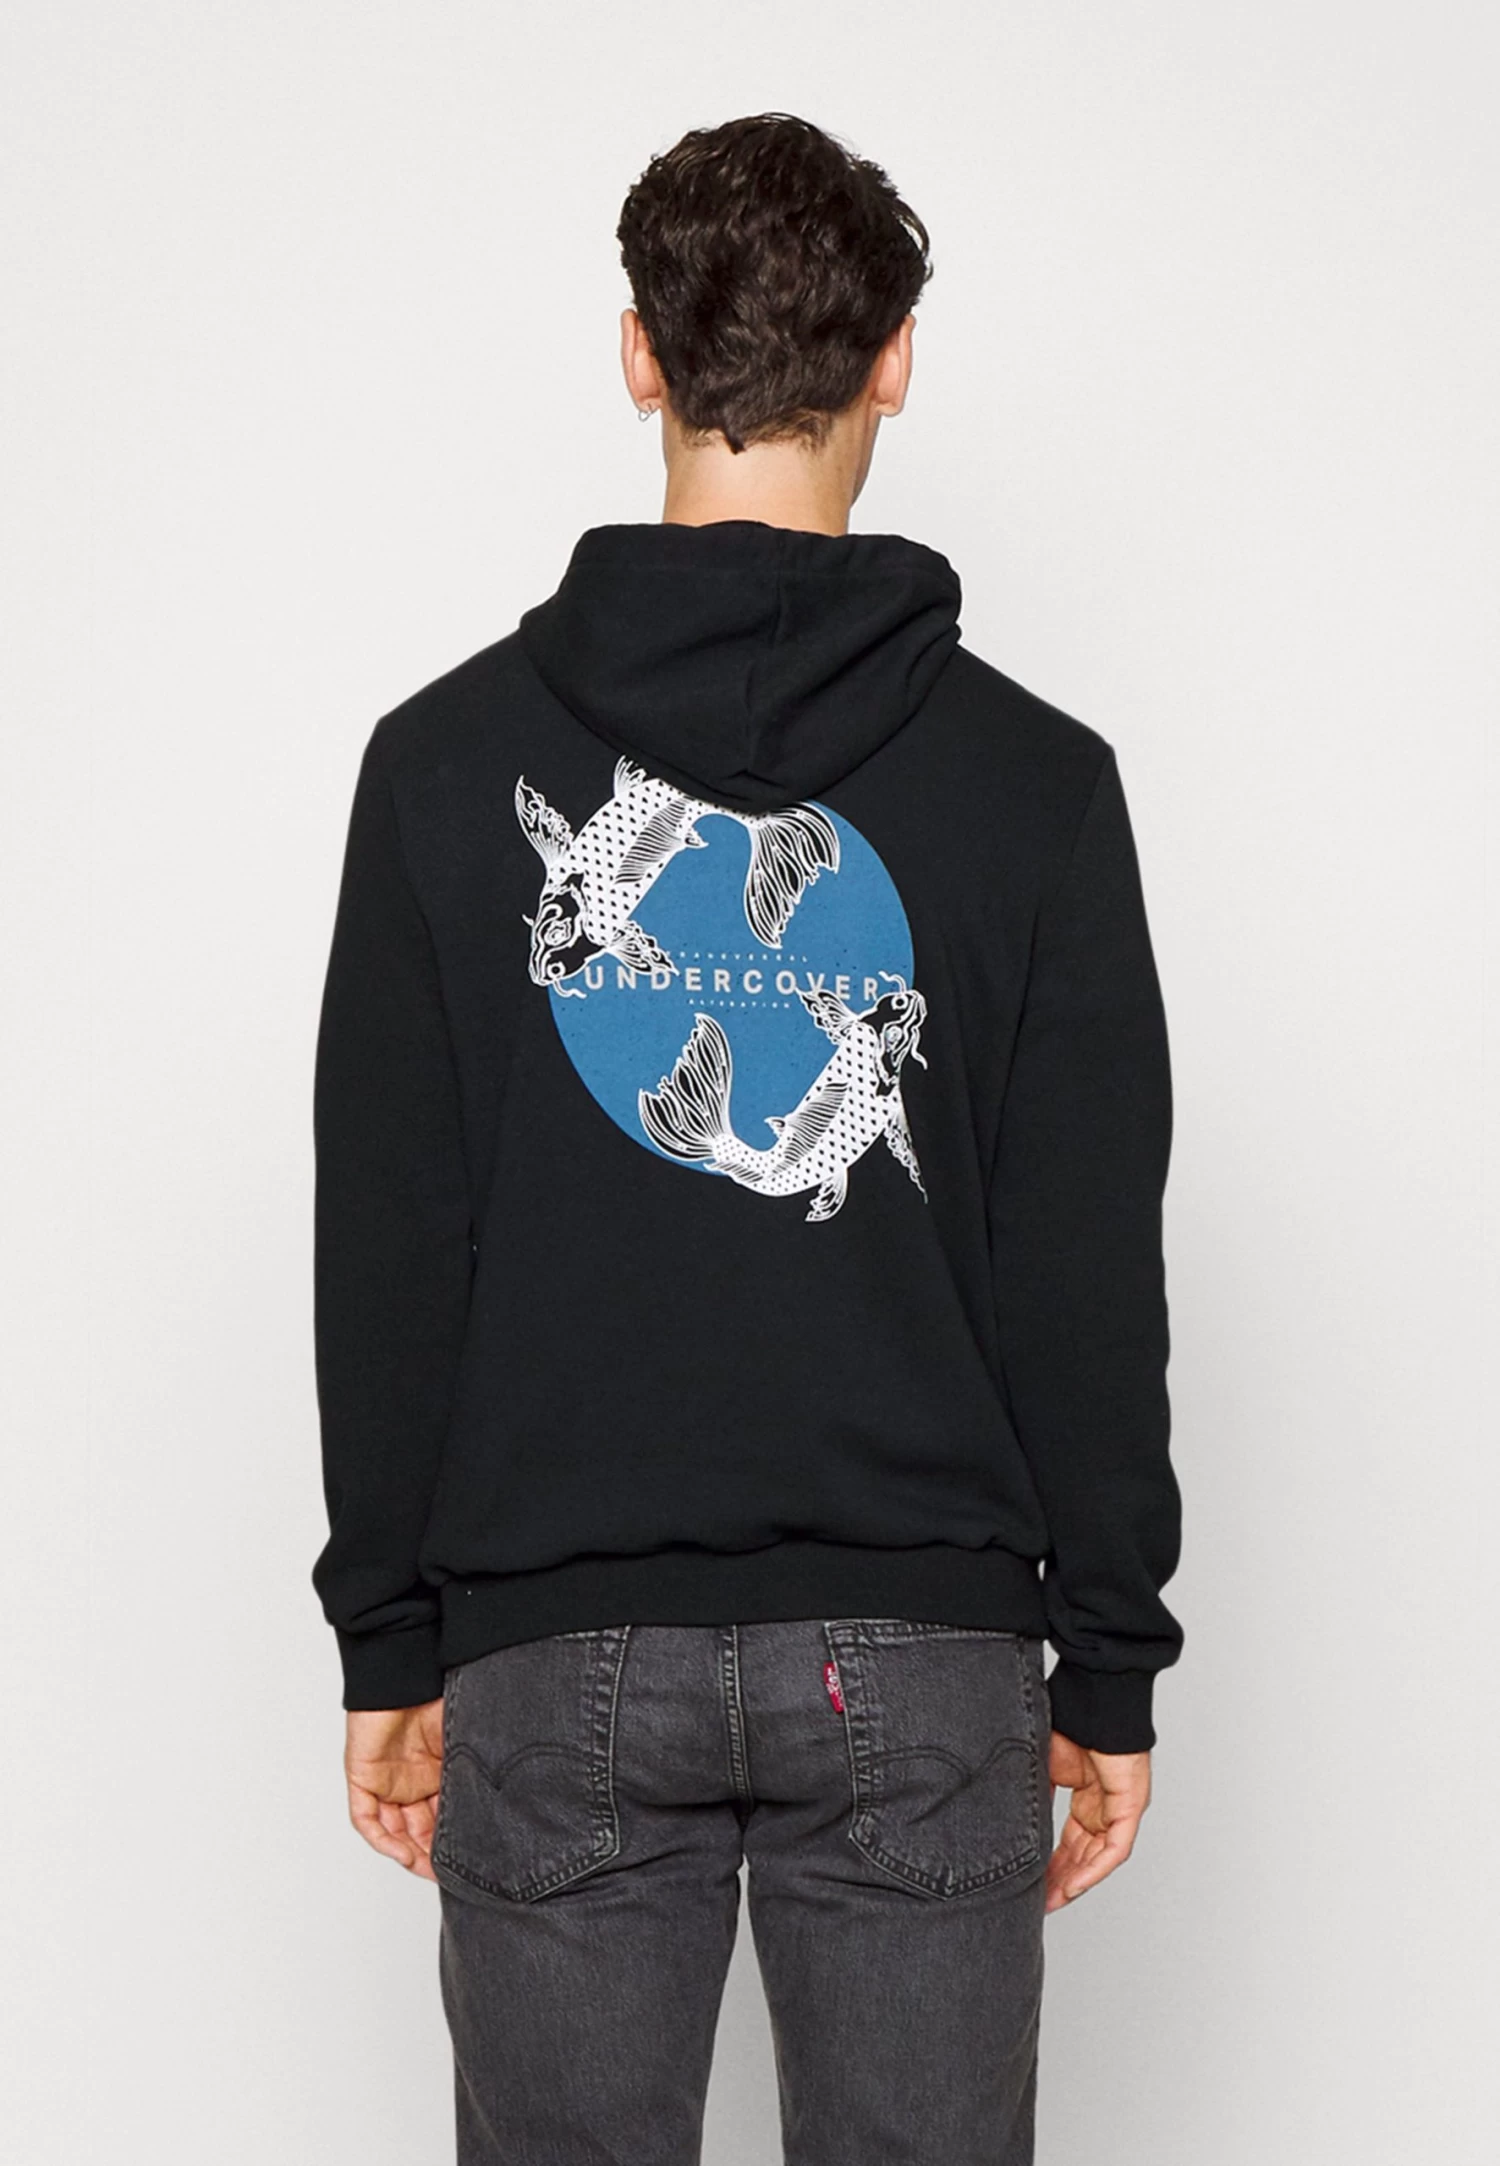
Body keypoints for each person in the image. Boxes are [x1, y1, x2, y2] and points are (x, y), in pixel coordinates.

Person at [310, 110, 1183, 2166]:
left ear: (639, 354)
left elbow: (392, 1237)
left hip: (551, 1641)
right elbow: (1079, 1263)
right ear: (896, 362)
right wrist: (1110, 1656)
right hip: (926, 1648)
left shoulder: (440, 770)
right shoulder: (1035, 788)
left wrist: (391, 1635)